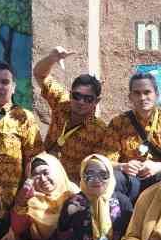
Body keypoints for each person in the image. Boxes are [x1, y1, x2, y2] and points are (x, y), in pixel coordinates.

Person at [107, 72, 161, 201]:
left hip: (159, 179)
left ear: (157, 94)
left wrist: (160, 166)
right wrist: (123, 166)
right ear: (130, 97)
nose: (142, 97)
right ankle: (123, 213)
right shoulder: (118, 123)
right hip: (129, 179)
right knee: (112, 179)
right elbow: (105, 160)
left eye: (147, 92)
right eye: (137, 93)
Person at [32, 46, 114, 185]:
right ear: (70, 94)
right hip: (44, 178)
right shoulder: (61, 102)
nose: (81, 102)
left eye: (88, 99)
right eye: (77, 96)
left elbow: (98, 167)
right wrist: (51, 58)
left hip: (73, 186)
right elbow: (40, 74)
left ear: (96, 101)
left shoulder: (100, 131)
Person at [0, 61, 44, 216]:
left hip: (10, 209)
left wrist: (23, 202)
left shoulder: (24, 118)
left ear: (13, 87)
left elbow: (33, 159)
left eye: (5, 82)